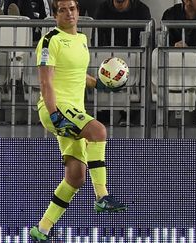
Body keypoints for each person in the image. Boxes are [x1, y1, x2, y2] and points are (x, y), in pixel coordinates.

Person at [29, 0, 127, 241]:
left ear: (78, 11)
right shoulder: (50, 40)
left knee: (76, 175)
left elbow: (74, 73)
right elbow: (46, 81)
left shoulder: (81, 39)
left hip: (73, 108)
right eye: (62, 9)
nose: (69, 13)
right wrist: (54, 113)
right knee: (98, 131)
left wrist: (99, 84)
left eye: (72, 8)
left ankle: (41, 229)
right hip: (56, 107)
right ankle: (102, 196)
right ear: (55, 15)